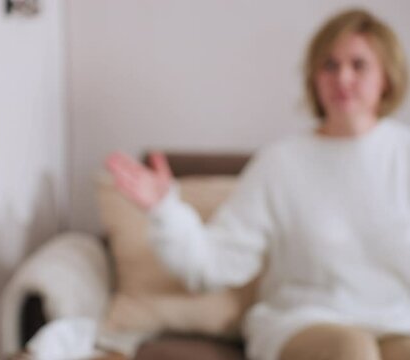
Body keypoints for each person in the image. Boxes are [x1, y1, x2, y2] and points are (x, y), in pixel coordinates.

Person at [106, 8, 410, 360]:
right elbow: (213, 264)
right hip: (303, 323)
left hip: (396, 322)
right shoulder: (281, 163)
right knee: (352, 351)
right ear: (314, 77)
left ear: (386, 76)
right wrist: (164, 210)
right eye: (329, 65)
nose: (343, 78)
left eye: (358, 65)